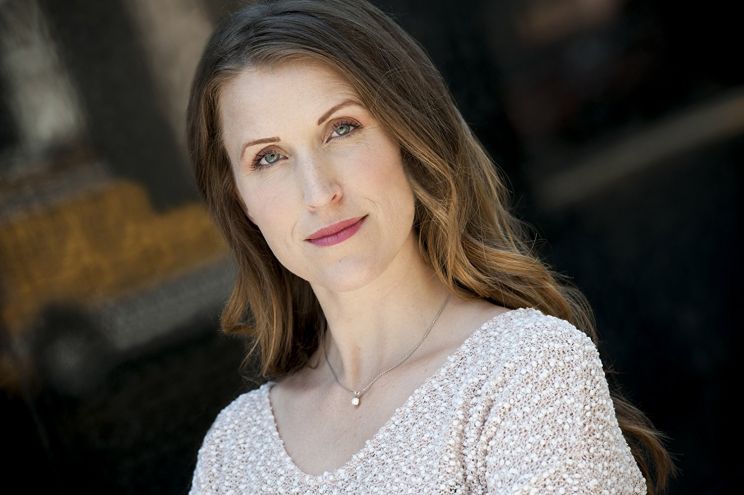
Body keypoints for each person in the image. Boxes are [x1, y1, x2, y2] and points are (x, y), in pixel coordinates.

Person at [186, 0, 676, 493]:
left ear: (408, 136)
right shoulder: (234, 450)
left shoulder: (524, 372)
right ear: (238, 198)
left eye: (342, 129)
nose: (318, 193)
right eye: (268, 157)